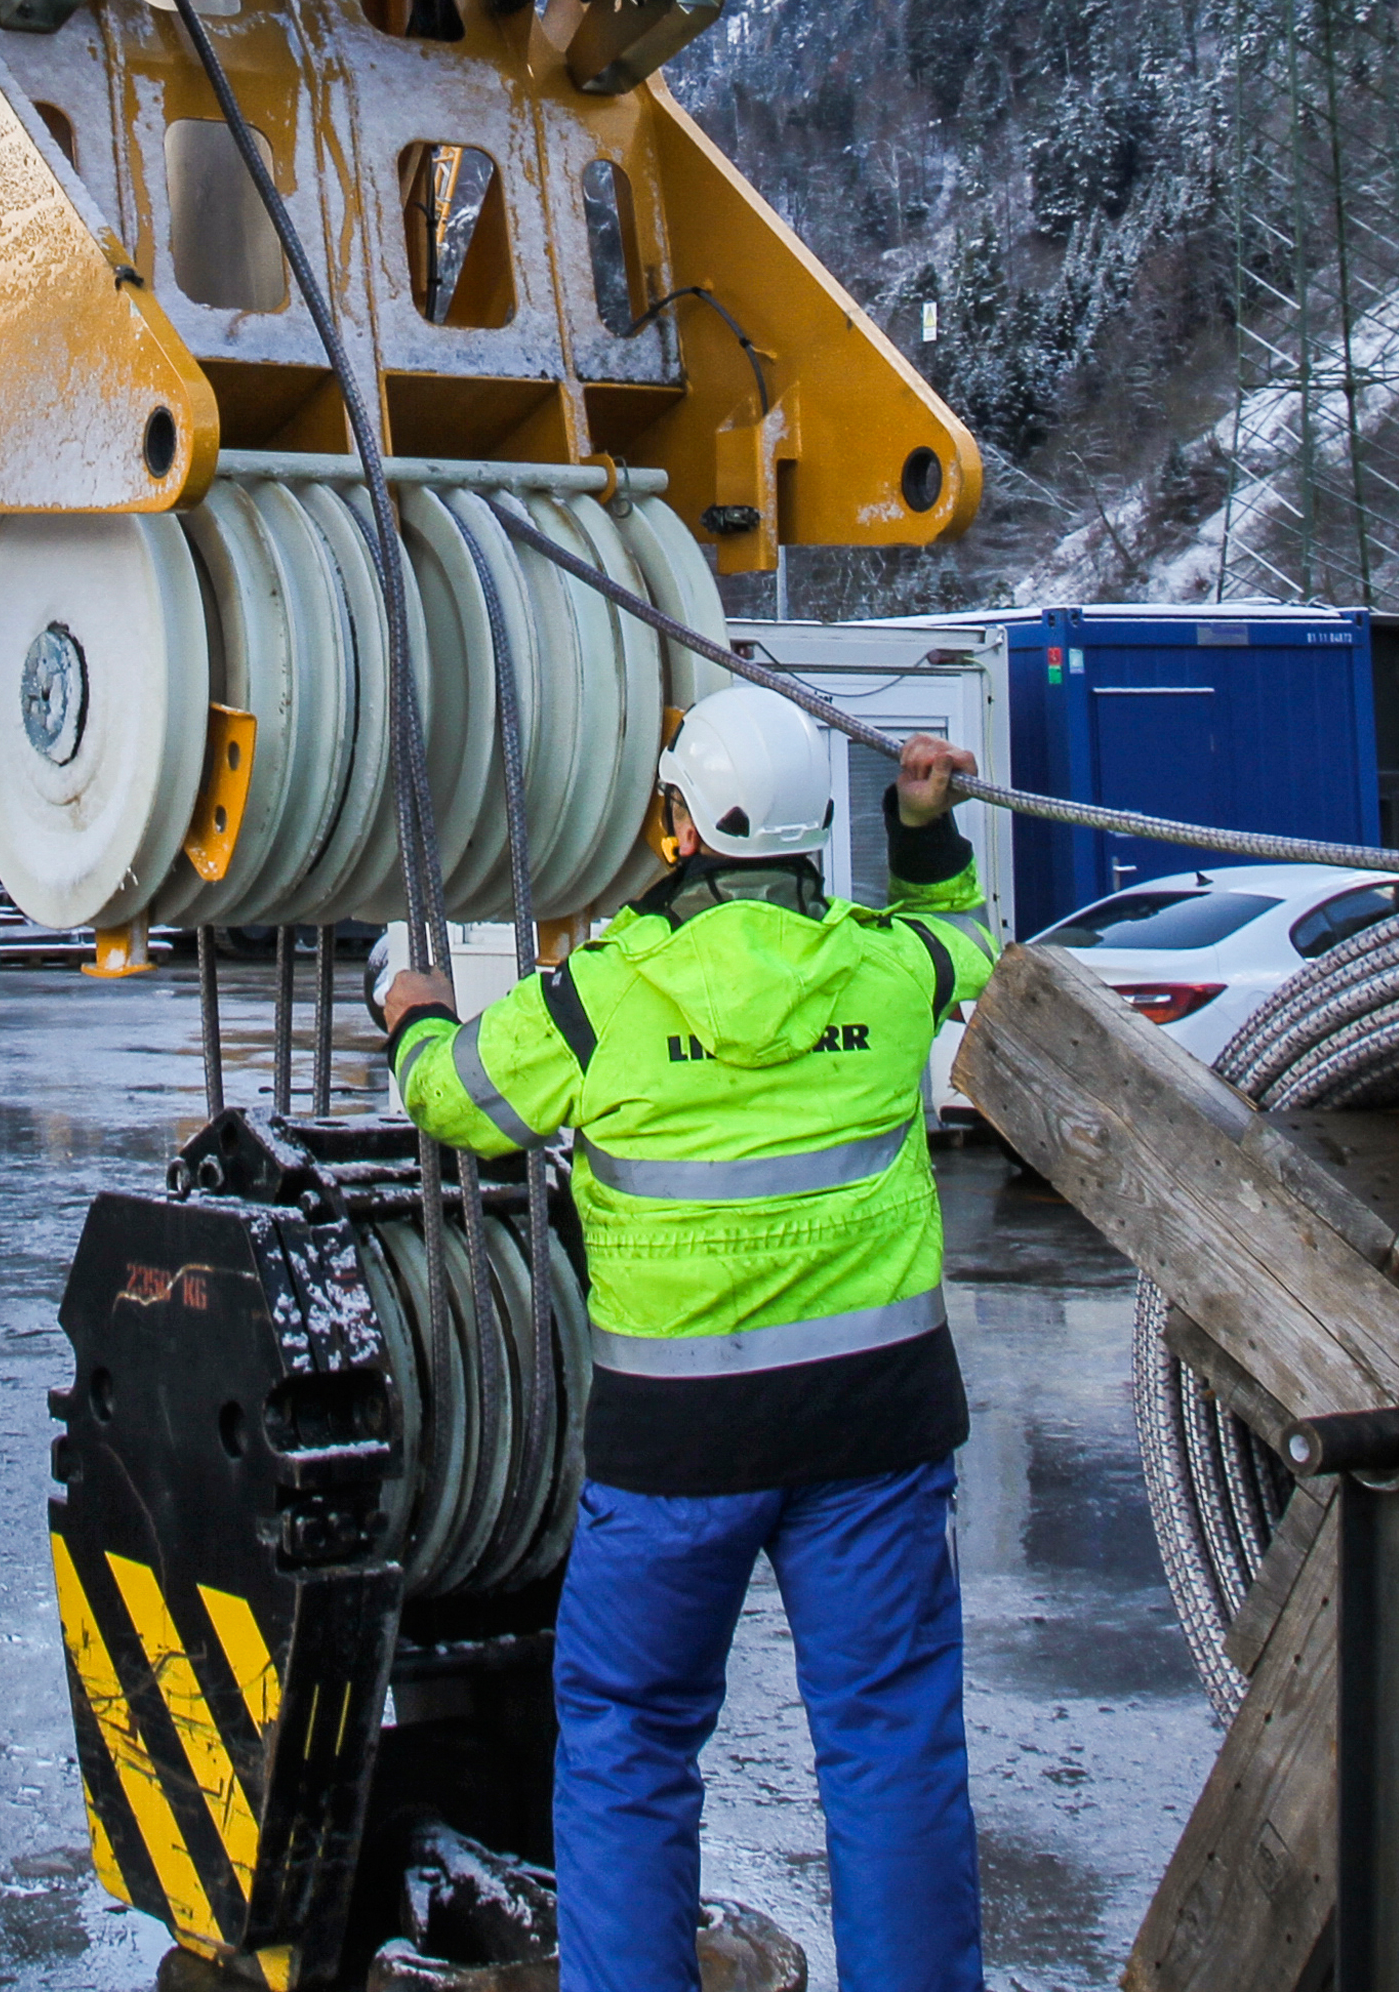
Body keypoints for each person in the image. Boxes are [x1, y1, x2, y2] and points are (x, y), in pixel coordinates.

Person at [381, 690, 998, 1992]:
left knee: (626, 1740)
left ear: (678, 822)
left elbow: (450, 1098)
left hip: (677, 1450)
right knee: (889, 1745)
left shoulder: (597, 1000)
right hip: (874, 1430)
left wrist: (413, 1007)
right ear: (810, 825)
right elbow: (965, 944)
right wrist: (924, 824)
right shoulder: (883, 971)